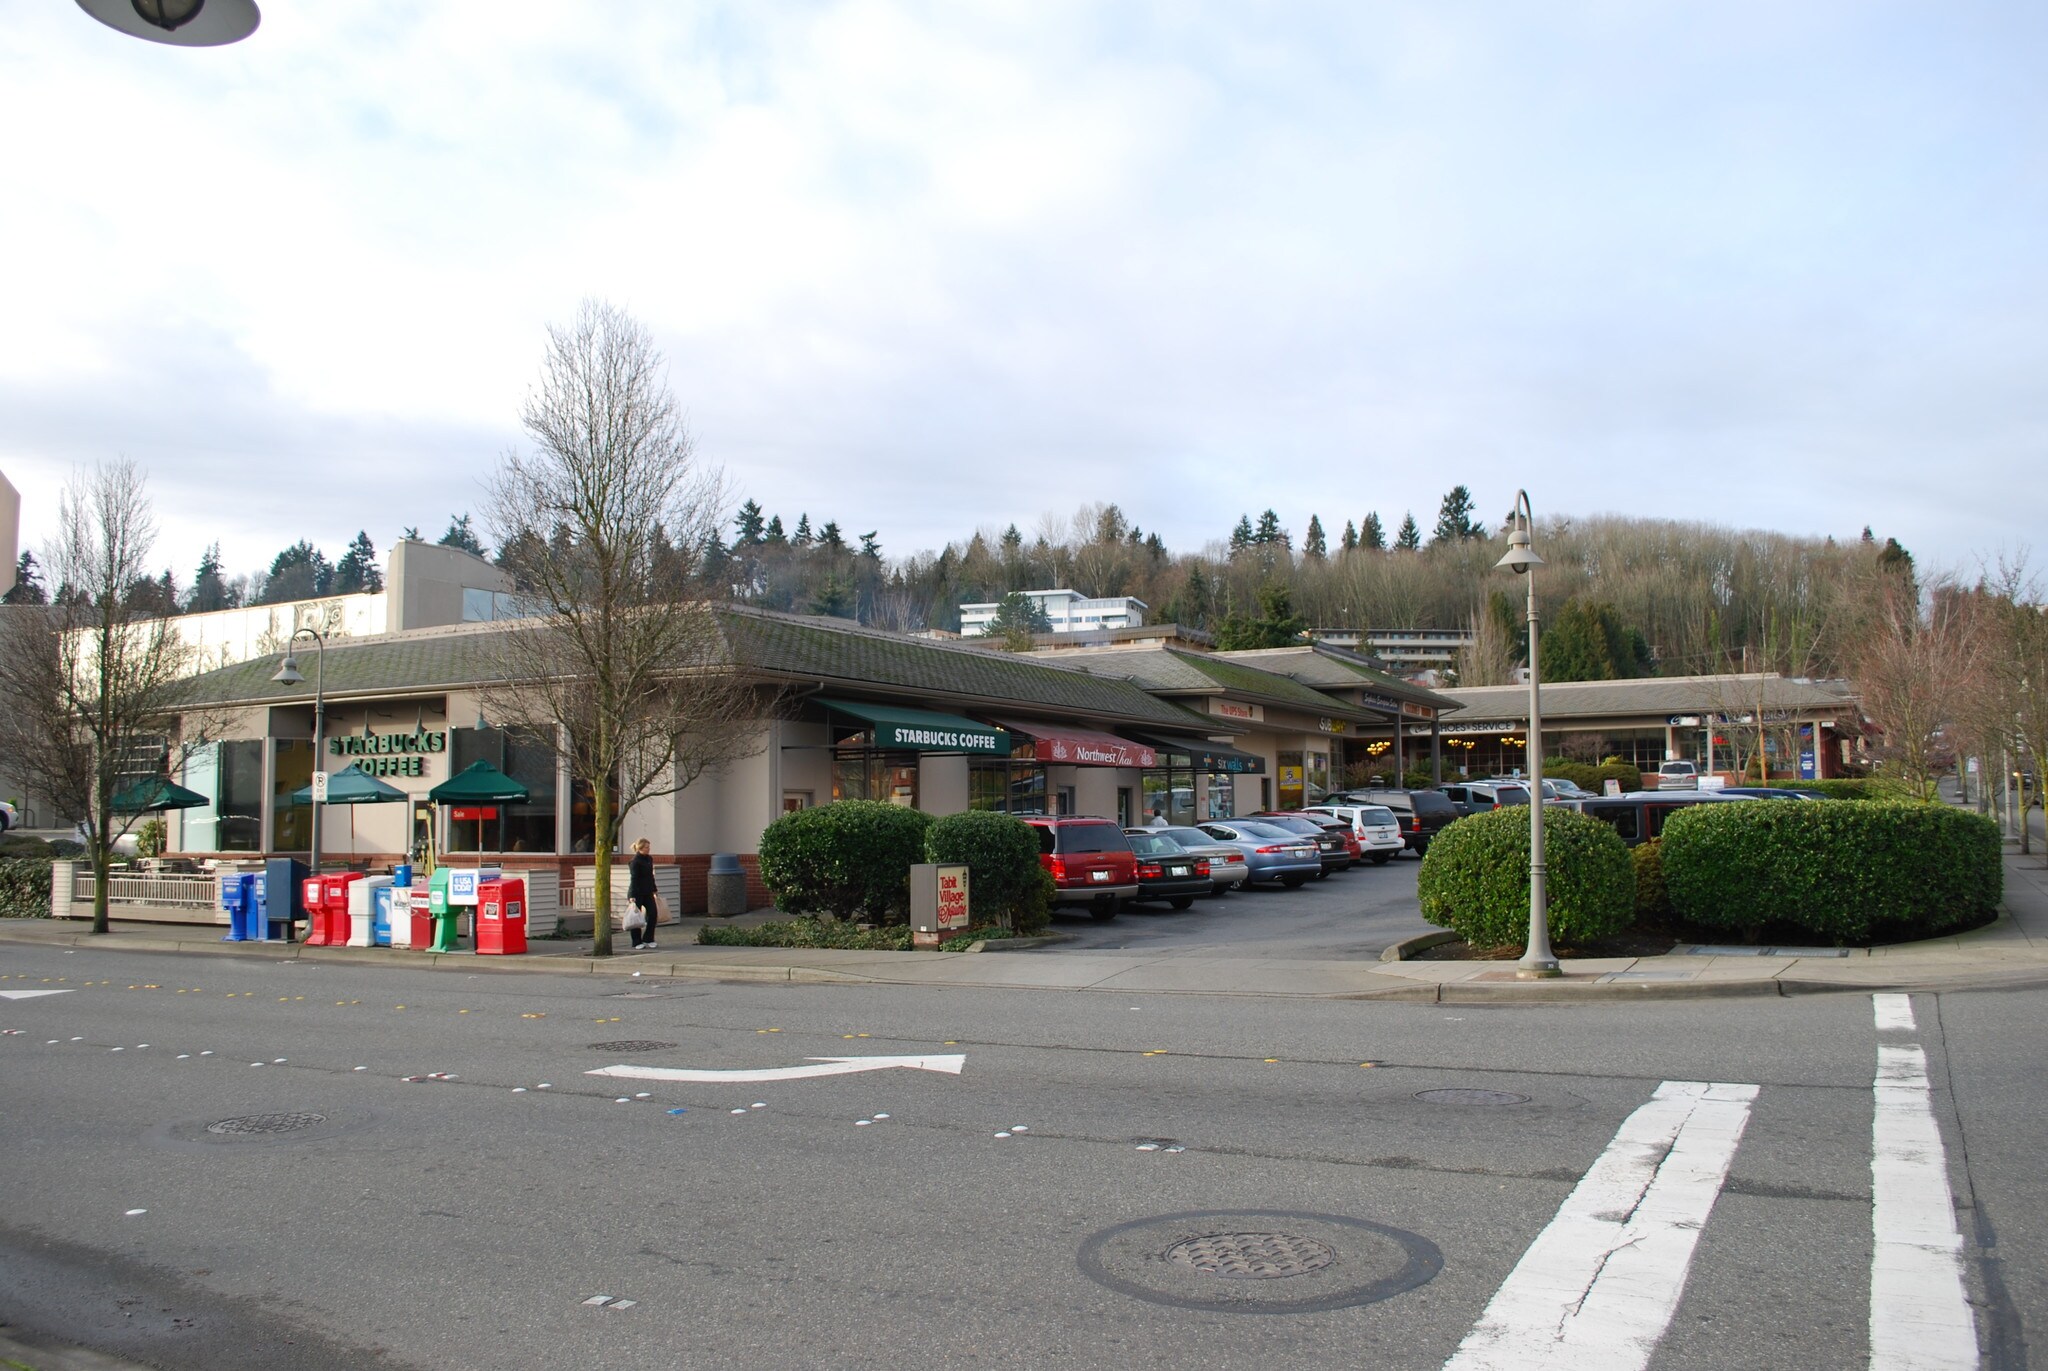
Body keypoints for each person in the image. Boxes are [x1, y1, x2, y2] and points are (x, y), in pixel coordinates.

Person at [626, 838, 658, 949]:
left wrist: (654, 889)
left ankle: (648, 938)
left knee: (653, 914)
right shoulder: (635, 861)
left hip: (648, 891)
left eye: (649, 847)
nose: (648, 849)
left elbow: (651, 875)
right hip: (637, 892)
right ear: (640, 848)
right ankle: (636, 941)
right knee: (635, 917)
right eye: (646, 847)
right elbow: (634, 879)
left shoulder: (649, 859)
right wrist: (632, 896)